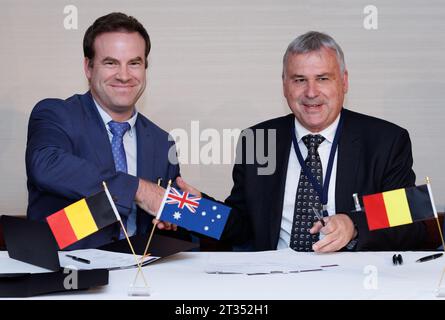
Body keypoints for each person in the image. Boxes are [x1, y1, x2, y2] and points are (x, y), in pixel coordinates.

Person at [177, 31, 427, 252]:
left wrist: (353, 225)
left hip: (351, 282)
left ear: (344, 82)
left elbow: (412, 224)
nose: (310, 92)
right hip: (275, 281)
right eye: (299, 80)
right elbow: (243, 226)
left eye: (323, 78)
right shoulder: (259, 140)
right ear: (285, 86)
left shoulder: (386, 141)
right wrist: (198, 211)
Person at [26, 12, 178, 249]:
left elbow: (166, 219)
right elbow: (45, 164)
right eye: (111, 63)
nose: (124, 75)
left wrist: (186, 212)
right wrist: (137, 189)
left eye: (134, 63)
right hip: (67, 277)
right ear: (88, 67)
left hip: (143, 276)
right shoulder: (56, 114)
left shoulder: (162, 141)